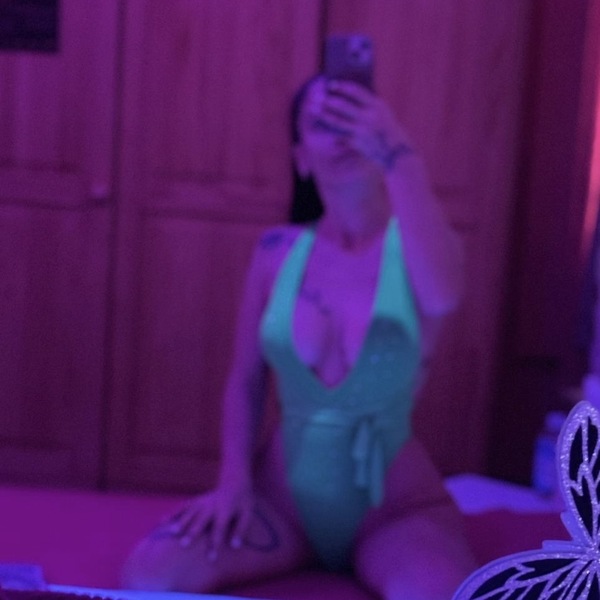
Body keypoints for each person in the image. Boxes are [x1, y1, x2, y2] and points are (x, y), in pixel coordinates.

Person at [122, 75, 476, 600]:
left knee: (435, 594)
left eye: (353, 117)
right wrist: (233, 482)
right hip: (280, 504)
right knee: (152, 575)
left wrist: (399, 154)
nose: (342, 134)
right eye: (323, 123)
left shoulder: (424, 250)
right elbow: (245, 380)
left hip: (395, 510)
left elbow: (443, 297)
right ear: (302, 158)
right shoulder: (275, 252)